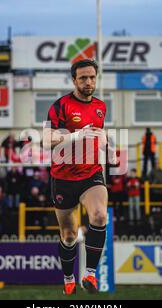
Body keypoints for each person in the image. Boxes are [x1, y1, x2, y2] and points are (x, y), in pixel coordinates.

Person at [43, 59, 111, 295]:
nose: (88, 82)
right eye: (83, 78)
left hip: (91, 174)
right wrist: (76, 136)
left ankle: (90, 275)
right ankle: (68, 276)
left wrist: (105, 144)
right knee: (69, 234)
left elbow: (97, 136)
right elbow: (46, 140)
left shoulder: (101, 106)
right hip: (63, 179)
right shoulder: (60, 106)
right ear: (74, 80)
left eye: (92, 77)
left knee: (100, 216)